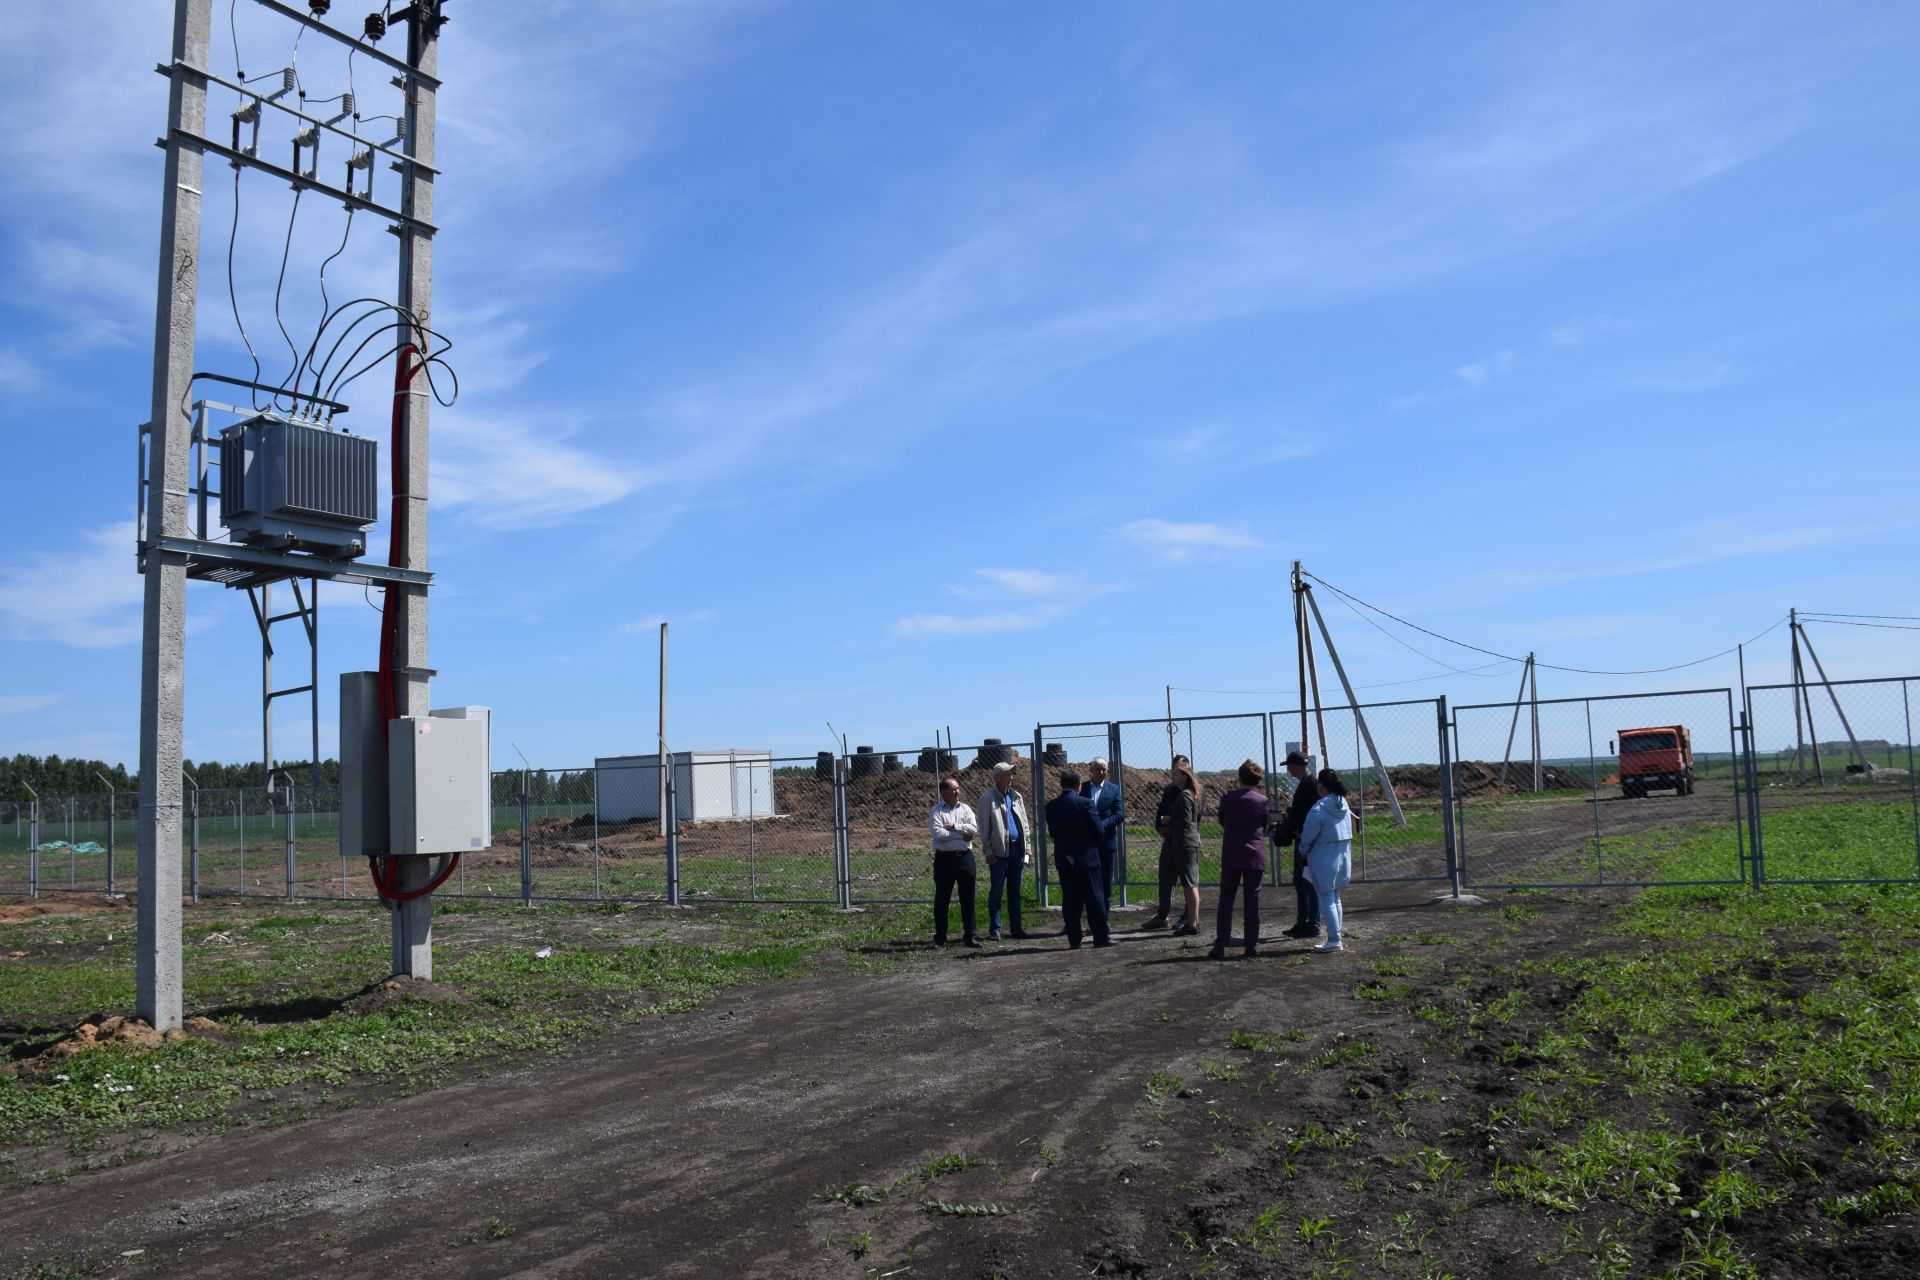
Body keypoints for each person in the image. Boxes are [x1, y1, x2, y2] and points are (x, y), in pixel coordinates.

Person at [1209, 759, 1270, 960]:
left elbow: (1221, 820)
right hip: (1254, 855)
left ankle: (1221, 943)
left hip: (1232, 853)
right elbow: (1265, 824)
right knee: (1252, 901)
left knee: (1226, 899)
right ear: (1257, 779)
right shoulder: (1262, 801)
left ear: (1239, 778)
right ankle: (1251, 945)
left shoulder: (1228, 797)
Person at [1045, 769, 1112, 949]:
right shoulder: (1086, 804)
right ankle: (1100, 938)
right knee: (1094, 899)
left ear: (1061, 785)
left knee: (1070, 900)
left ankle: (1074, 940)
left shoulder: (1051, 806)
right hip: (1087, 859)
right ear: (1079, 786)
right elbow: (1099, 831)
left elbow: (1053, 833)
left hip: (1064, 859)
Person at [1298, 769, 1355, 953]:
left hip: (1323, 858)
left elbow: (1308, 834)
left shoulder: (1319, 807)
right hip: (1343, 857)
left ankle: (1334, 939)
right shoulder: (1344, 805)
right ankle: (1335, 935)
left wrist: (1302, 850)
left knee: (1327, 898)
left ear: (1322, 785)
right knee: (1335, 897)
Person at [1270, 750, 1322, 939]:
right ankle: (1303, 922)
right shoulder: (1306, 784)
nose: (1289, 771)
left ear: (1296, 766)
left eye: (1290, 767)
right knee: (1301, 883)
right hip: (1302, 839)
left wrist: (1297, 829)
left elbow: (1309, 815)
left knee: (1308, 883)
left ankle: (1312, 924)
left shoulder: (1310, 785)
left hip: (1306, 840)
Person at [1146, 761, 1203, 936]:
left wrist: (1169, 821)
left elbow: (1186, 822)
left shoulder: (1185, 795)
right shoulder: (1184, 793)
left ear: (1185, 776)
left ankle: (1193, 923)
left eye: (1176, 775)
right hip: (1182, 842)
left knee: (1189, 884)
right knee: (1188, 883)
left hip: (1185, 843)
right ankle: (1193, 922)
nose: (1173, 778)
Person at [977, 762, 1031, 941]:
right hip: (999, 853)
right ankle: (995, 929)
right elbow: (984, 828)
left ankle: (1016, 928)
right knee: (997, 891)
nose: (1011, 776)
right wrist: (988, 850)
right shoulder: (987, 799)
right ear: (998, 776)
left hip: (1017, 850)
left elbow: (1024, 824)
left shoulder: (1016, 797)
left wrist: (1028, 847)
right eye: (1008, 773)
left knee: (1015, 891)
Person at [928, 776, 981, 948]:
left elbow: (973, 829)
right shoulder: (937, 811)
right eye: (953, 789)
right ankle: (940, 937)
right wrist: (962, 834)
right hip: (944, 860)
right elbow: (939, 835)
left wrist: (954, 827)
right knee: (942, 899)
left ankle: (970, 936)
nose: (957, 791)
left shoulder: (966, 809)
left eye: (958, 788)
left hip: (965, 858)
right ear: (943, 792)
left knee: (968, 898)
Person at [1080, 757, 1125, 906]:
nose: (1101, 772)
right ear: (1091, 770)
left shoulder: (1113, 790)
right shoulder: (1082, 788)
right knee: (1085, 883)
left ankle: (1103, 922)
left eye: (1103, 769)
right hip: (1086, 844)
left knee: (1105, 885)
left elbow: (1119, 815)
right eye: (1097, 769)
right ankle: (1083, 921)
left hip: (1106, 844)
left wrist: (1100, 825)